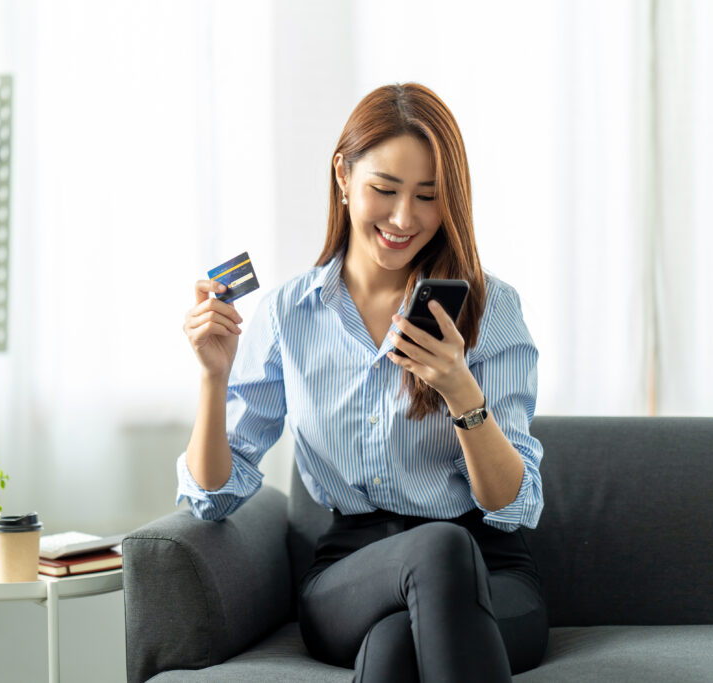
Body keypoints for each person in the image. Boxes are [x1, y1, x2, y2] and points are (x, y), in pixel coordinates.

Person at [180, 82, 548, 682]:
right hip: (352, 571)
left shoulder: (491, 308)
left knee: (404, 633)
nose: (405, 219)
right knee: (433, 552)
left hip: (491, 571)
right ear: (343, 177)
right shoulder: (287, 315)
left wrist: (461, 392)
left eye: (428, 197)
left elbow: (512, 505)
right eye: (385, 190)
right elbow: (214, 496)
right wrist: (213, 378)